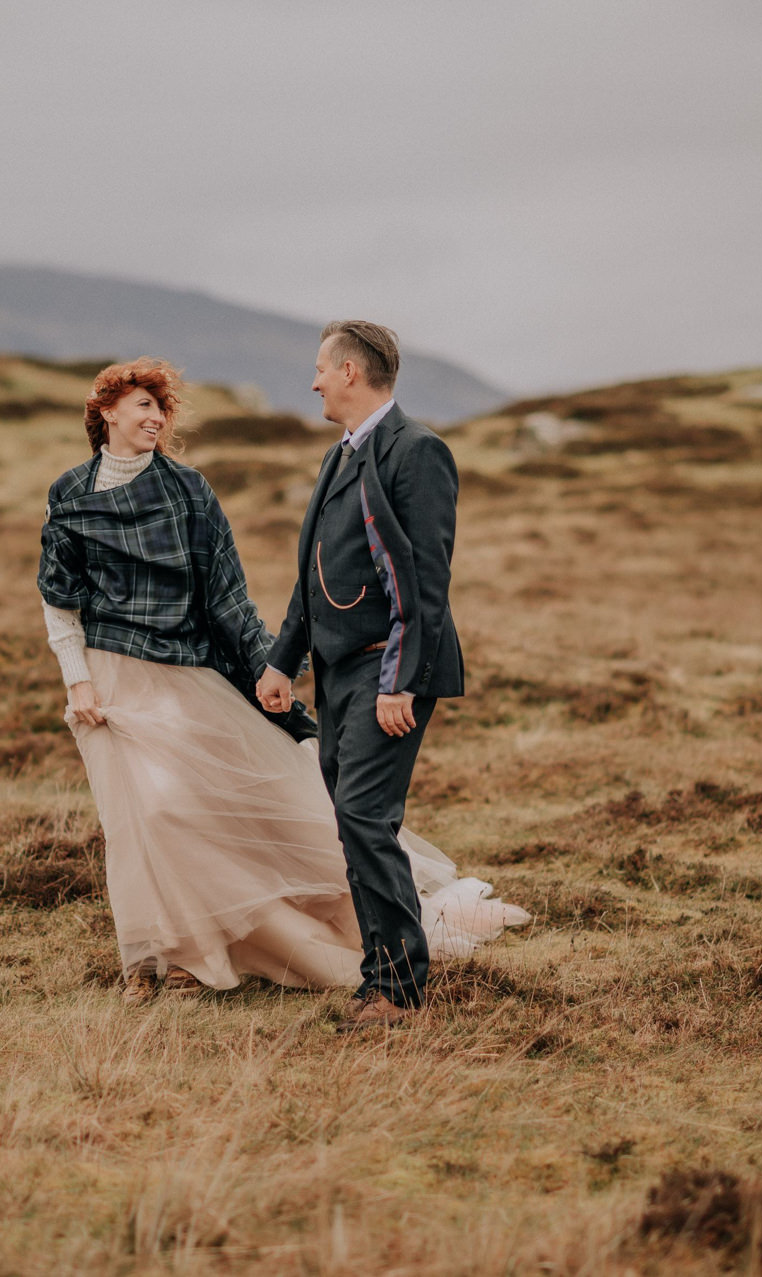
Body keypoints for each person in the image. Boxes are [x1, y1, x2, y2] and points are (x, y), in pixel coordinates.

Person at [38, 357, 524, 1012]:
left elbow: (229, 599)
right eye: (142, 404)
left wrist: (271, 669)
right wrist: (77, 682)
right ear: (106, 413)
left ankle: (201, 953)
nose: (155, 416)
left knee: (178, 809)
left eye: (161, 406)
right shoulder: (69, 492)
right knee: (135, 820)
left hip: (184, 676)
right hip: (108, 680)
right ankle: (156, 957)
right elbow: (58, 598)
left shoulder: (187, 492)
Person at [255, 321, 464, 1031]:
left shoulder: (417, 451)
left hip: (390, 667)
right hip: (339, 673)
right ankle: (379, 977)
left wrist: (400, 681)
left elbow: (427, 581)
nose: (312, 381)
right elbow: (313, 577)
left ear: (350, 371)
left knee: (366, 818)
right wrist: (284, 660)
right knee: (354, 824)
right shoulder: (338, 457)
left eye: (320, 368)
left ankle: (400, 991)